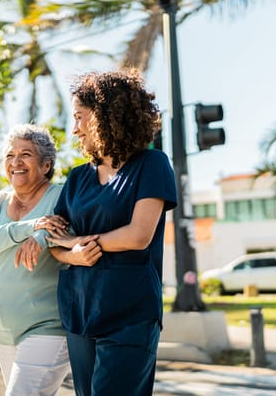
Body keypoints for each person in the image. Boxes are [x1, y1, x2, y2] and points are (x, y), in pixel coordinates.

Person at [47, 69, 178, 396]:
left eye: (79, 117)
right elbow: (54, 240)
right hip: (80, 311)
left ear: (105, 116)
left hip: (130, 314)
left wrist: (78, 243)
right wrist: (71, 254)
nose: (74, 128)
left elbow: (138, 236)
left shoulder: (152, 164)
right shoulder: (77, 178)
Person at [0, 123, 71, 396]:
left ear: (46, 165)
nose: (16, 162)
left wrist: (41, 235)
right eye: (10, 156)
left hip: (47, 326)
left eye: (26, 154)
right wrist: (29, 227)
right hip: (2, 329)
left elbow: (64, 229)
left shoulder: (60, 195)